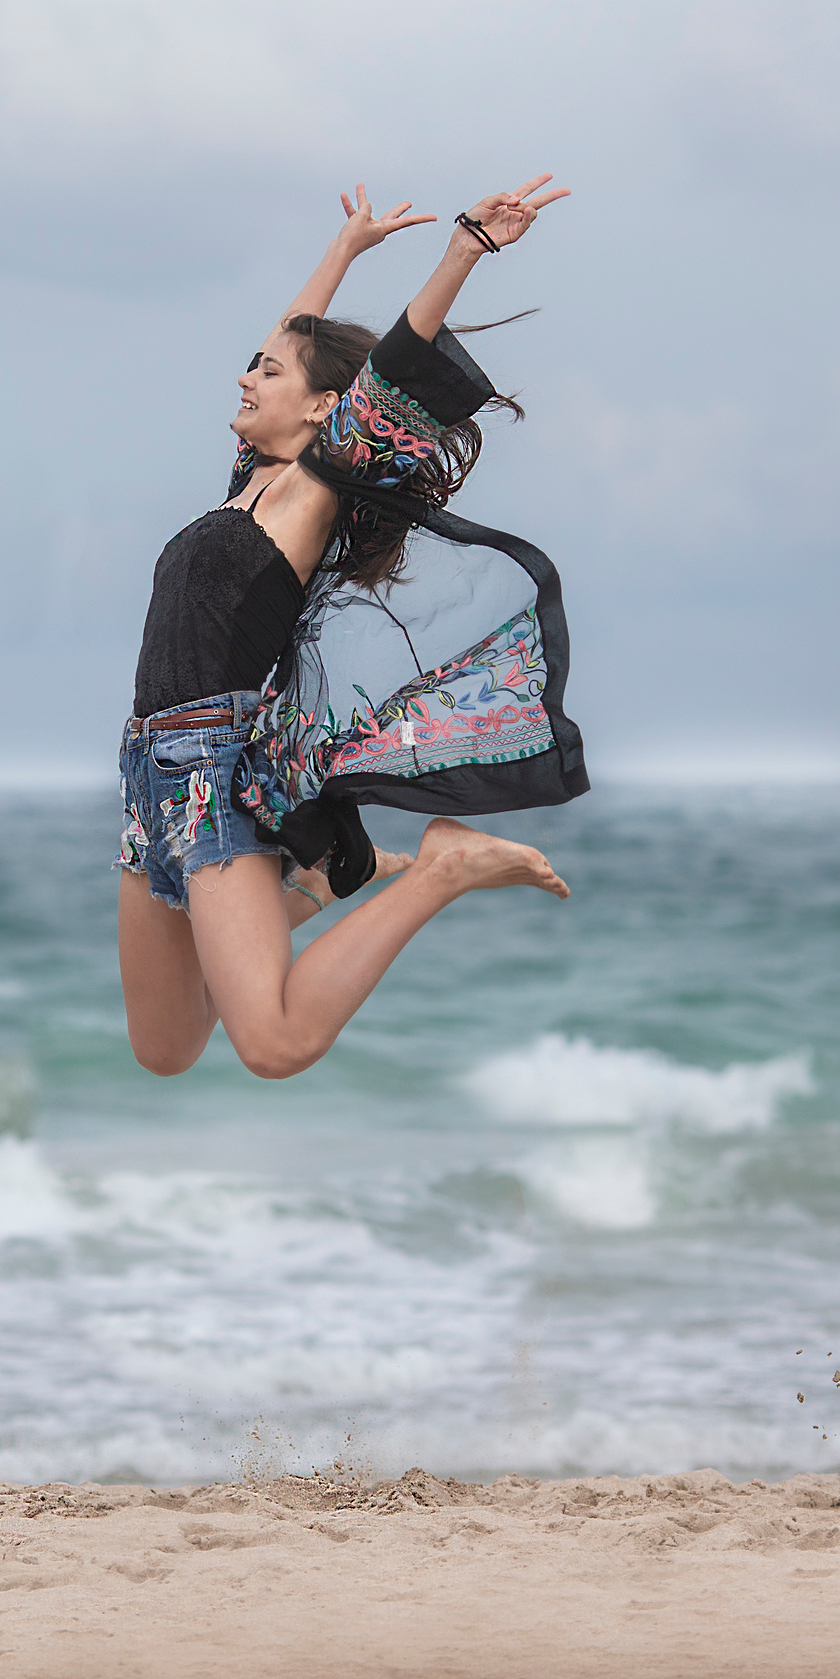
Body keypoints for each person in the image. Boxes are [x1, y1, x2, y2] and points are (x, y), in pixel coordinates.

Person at [120, 180, 588, 1082]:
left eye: (268, 373)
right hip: (147, 770)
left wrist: (464, 248)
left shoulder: (310, 491)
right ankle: (329, 874)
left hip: (217, 771)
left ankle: (438, 870)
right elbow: (292, 333)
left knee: (277, 1042)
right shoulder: (244, 484)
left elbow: (398, 367)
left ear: (324, 413)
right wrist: (344, 252)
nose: (247, 375)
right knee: (167, 1046)